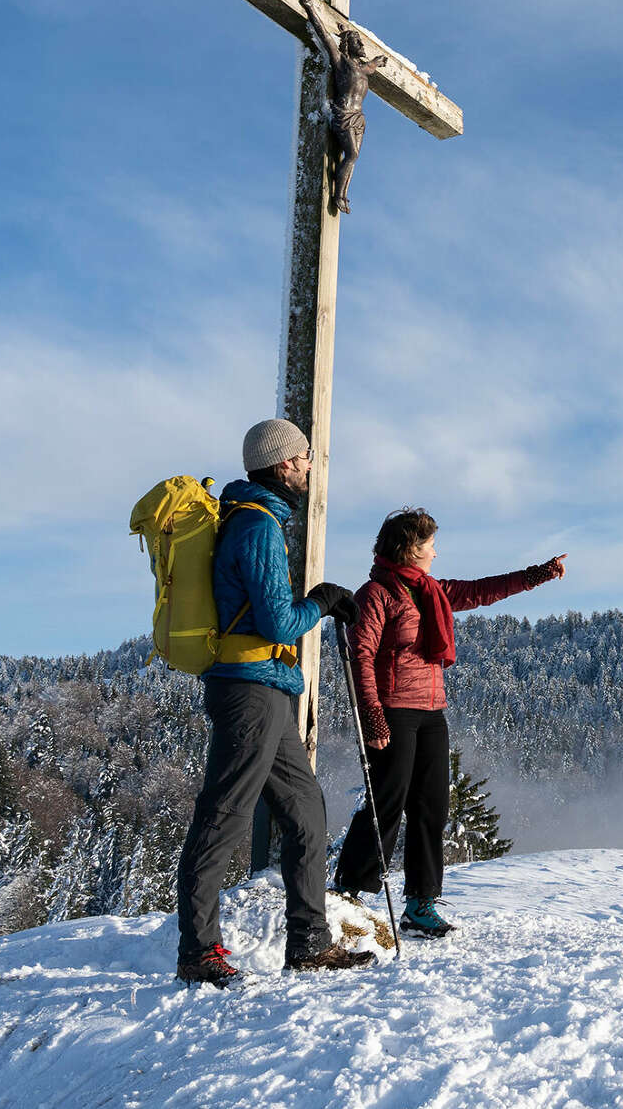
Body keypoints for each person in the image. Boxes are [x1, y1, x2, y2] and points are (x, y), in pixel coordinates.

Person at [172, 419, 371, 986]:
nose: (310, 467)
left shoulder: (255, 520)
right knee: (226, 813)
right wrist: (323, 601)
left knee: (306, 813)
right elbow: (280, 621)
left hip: (268, 689)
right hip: (249, 691)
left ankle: (309, 943)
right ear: (284, 464)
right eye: (305, 458)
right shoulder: (256, 527)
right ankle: (198, 950)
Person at [335, 506, 565, 937]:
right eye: (430, 545)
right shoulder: (376, 595)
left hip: (431, 713)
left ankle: (419, 904)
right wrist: (372, 715)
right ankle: (348, 892)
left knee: (431, 807)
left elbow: (482, 591)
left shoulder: (432, 591)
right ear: (409, 548)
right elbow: (360, 656)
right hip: (393, 711)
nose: (436, 553)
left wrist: (535, 575)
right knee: (387, 800)